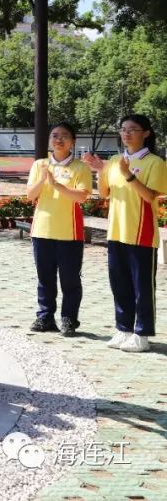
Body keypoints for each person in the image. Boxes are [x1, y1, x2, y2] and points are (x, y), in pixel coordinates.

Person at [83, 114, 167, 353]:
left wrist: (128, 174)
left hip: (141, 232)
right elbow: (103, 193)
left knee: (142, 287)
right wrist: (99, 169)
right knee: (119, 283)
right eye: (123, 129)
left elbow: (151, 196)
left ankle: (142, 334)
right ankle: (124, 329)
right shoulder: (115, 160)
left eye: (133, 129)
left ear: (146, 133)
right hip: (116, 231)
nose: (126, 133)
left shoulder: (154, 162)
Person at [26, 122, 92, 337]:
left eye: (64, 136)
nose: (59, 139)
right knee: (44, 278)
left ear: (73, 141)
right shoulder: (40, 165)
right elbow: (30, 195)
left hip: (69, 232)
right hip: (42, 230)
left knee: (70, 279)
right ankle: (45, 317)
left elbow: (82, 196)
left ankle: (69, 319)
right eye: (54, 135)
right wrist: (45, 179)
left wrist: (57, 186)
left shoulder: (80, 167)